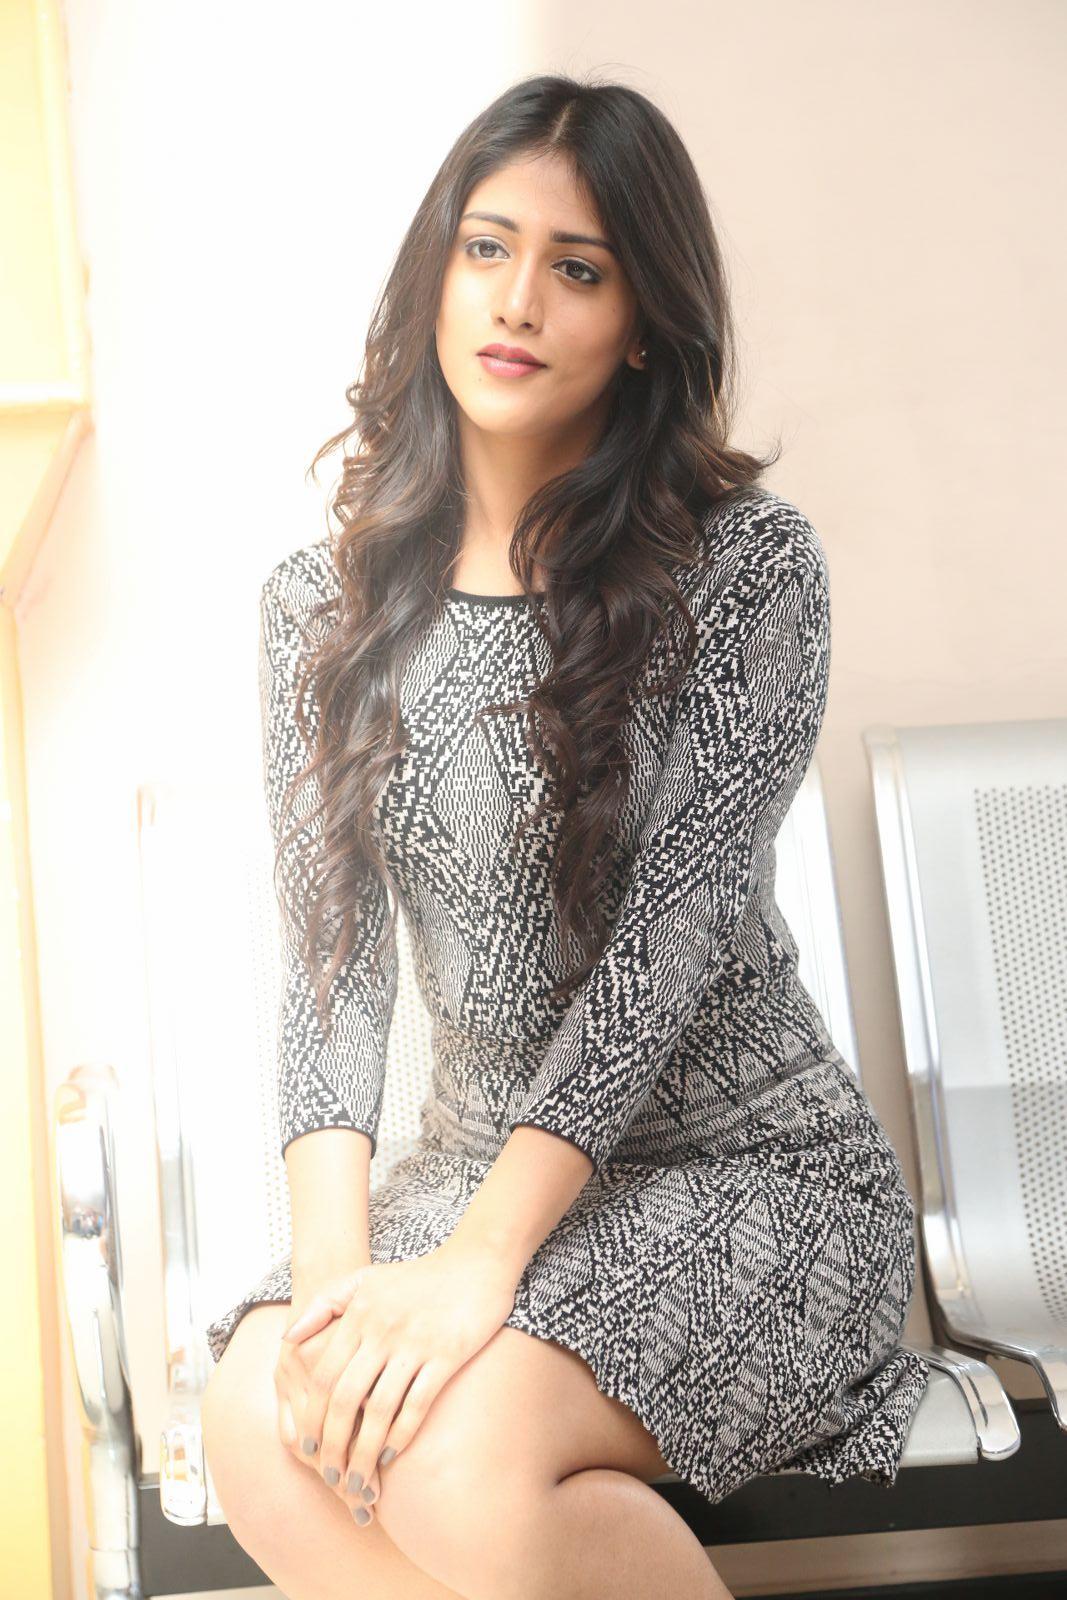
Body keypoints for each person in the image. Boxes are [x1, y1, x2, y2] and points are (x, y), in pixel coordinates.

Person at [200, 72, 929, 1600]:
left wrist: (478, 1273)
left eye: (579, 269)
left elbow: (663, 960)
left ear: (644, 321)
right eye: (488, 247)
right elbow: (331, 972)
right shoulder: (318, 610)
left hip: (751, 1177)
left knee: (455, 1456)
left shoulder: (745, 572)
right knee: (261, 1423)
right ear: (437, 269)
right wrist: (335, 1300)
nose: (518, 299)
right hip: (467, 1173)